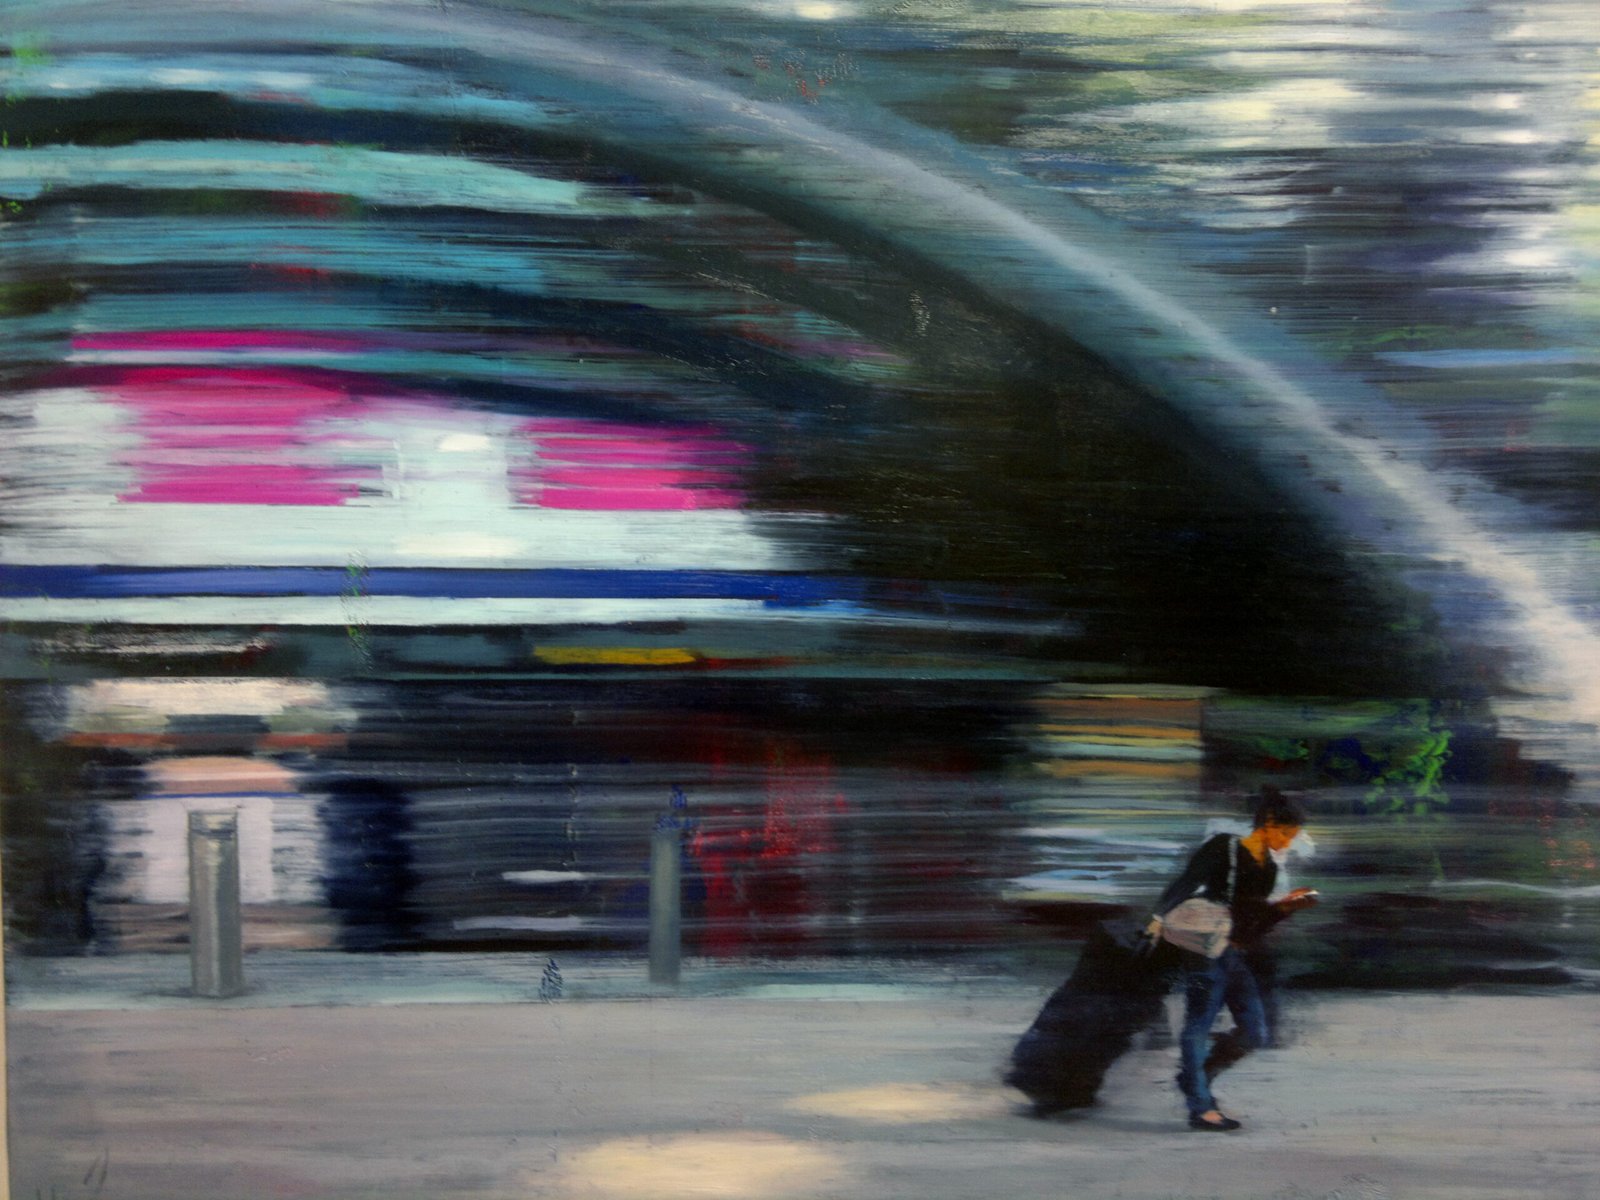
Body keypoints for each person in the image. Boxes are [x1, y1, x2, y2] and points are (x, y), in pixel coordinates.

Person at [1145, 786, 1318, 1132]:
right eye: (1286, 834)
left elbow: (1253, 925)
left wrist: (1285, 908)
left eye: (1292, 837)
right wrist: (1159, 916)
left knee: (1254, 1031)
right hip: (1203, 949)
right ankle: (1201, 1107)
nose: (1288, 843)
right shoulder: (1224, 846)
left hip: (1233, 952)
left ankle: (1196, 1080)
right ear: (1268, 823)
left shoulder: (1268, 869)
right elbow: (1187, 881)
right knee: (1199, 1023)